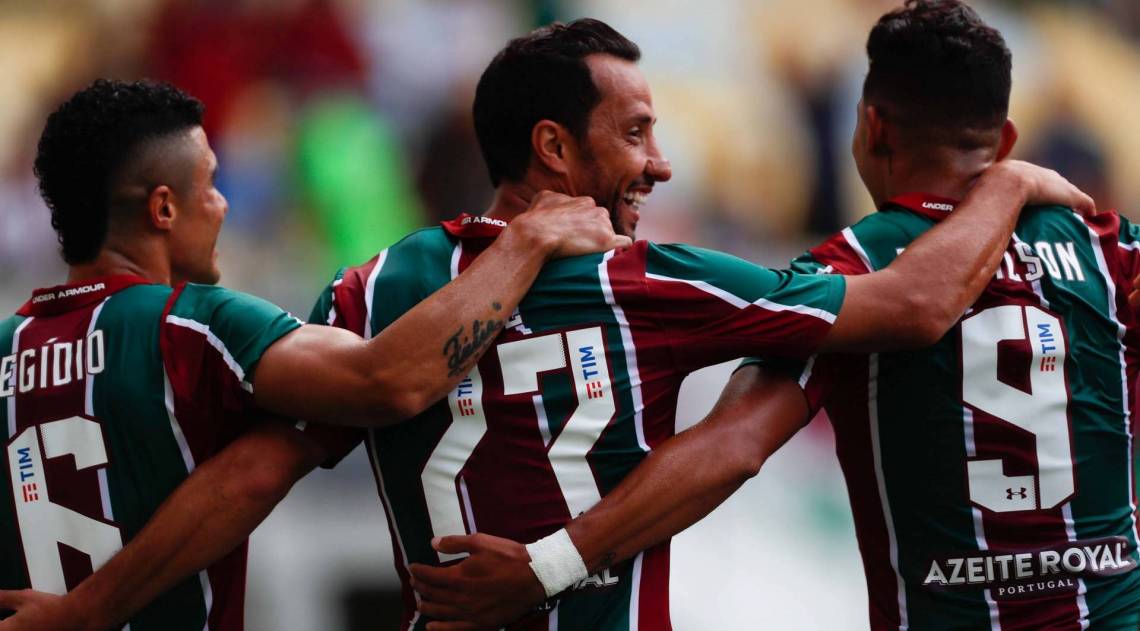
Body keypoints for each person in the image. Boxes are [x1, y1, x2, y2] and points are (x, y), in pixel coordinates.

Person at [0, 19, 1093, 631]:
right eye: (635, 130)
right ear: (555, 152)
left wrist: (93, 605)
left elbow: (251, 475)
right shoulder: (655, 277)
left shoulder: (374, 290)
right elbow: (911, 304)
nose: (662, 162)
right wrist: (1008, 180)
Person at [410, 3, 1140, 630]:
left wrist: (548, 564)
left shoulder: (851, 266)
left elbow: (732, 446)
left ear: (872, 128)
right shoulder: (1110, 247)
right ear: (1005, 140)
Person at [0, 78, 626, 631]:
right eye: (212, 184)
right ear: (163, 208)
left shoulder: (7, 346)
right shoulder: (192, 325)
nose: (221, 205)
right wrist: (526, 241)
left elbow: (251, 473)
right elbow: (390, 381)